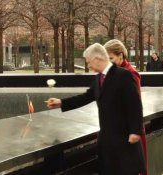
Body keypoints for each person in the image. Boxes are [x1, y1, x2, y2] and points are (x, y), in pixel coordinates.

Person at [46, 43, 145, 175]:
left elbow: (135, 104)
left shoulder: (124, 75)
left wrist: (135, 131)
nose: (88, 66)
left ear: (97, 59)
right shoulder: (99, 78)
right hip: (107, 142)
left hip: (124, 141)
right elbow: (86, 96)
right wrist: (61, 103)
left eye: (88, 62)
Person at [104, 39, 148, 175]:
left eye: (111, 58)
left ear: (121, 55)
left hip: (129, 129)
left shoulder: (130, 73)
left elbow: (134, 104)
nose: (108, 62)